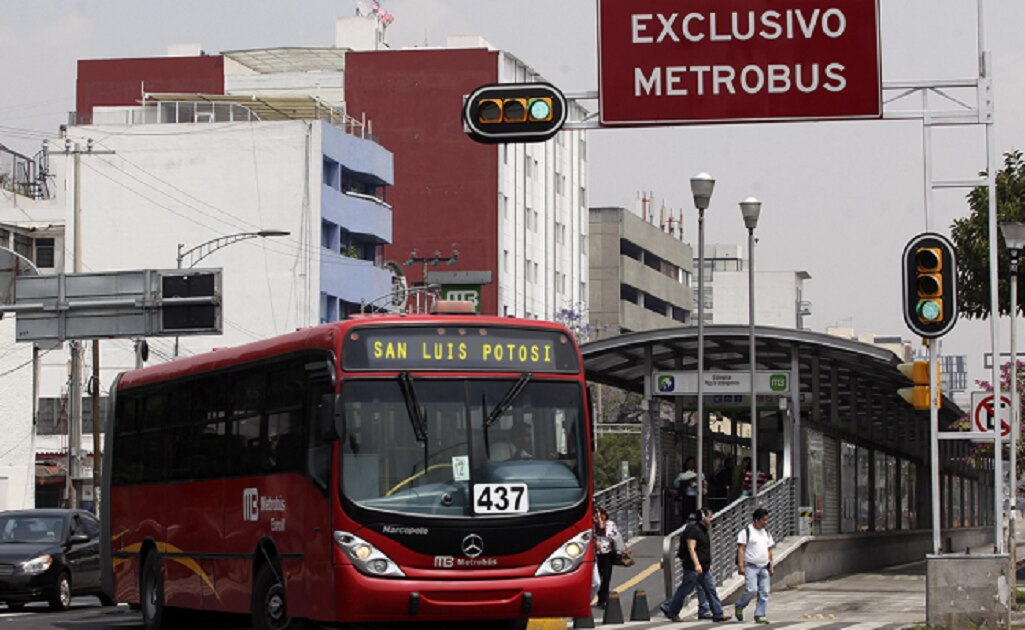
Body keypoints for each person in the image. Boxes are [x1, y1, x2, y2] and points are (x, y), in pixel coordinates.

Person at [659, 507, 728, 622]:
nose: (711, 519)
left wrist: (708, 564)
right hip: (692, 568)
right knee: (685, 589)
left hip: (704, 567)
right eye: (709, 517)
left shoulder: (704, 530)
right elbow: (691, 548)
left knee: (710, 589)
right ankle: (672, 611)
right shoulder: (693, 530)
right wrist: (697, 564)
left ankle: (718, 613)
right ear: (702, 517)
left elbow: (703, 550)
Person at [735, 507, 775, 624]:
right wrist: (741, 566)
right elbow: (741, 549)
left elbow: (769, 550)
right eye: (763, 520)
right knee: (752, 590)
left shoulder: (766, 533)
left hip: (764, 566)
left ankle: (760, 614)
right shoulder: (746, 532)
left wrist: (771, 565)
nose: (765, 522)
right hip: (751, 566)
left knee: (764, 592)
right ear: (756, 520)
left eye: (767, 520)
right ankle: (740, 605)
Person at [592, 507, 619, 609]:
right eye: (596, 516)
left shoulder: (610, 524)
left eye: (601, 515)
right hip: (596, 553)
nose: (599, 517)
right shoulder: (592, 525)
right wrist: (595, 542)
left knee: (607, 576)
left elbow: (614, 535)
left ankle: (604, 598)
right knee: (598, 577)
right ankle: (600, 597)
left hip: (607, 553)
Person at [674, 456, 705, 523]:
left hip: (696, 497)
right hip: (686, 497)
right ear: (686, 463)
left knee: (696, 514)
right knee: (685, 515)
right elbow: (676, 484)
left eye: (693, 463)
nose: (691, 464)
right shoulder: (682, 473)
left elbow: (702, 481)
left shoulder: (698, 472)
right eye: (690, 463)